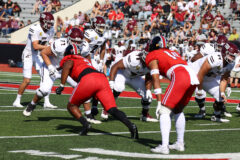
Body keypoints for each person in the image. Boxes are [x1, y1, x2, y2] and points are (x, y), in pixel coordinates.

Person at [52, 54, 139, 138]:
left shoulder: (69, 59)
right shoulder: (84, 60)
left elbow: (68, 65)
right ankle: (131, 126)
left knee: (71, 106)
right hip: (102, 78)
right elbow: (95, 89)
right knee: (112, 109)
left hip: (88, 79)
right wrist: (94, 106)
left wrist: (61, 85)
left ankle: (86, 125)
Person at [145, 36, 199, 154]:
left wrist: (159, 102)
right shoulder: (172, 52)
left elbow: (155, 78)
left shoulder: (152, 55)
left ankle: (164, 146)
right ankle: (180, 143)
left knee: (164, 111)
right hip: (191, 75)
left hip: (180, 74)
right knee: (178, 110)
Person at [12, 12, 56, 108]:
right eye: (48, 23)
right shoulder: (35, 28)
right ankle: (17, 100)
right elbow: (35, 46)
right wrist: (48, 47)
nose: (49, 25)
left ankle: (46, 102)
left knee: (45, 77)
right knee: (27, 80)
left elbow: (51, 42)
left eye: (50, 23)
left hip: (38, 54)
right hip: (29, 54)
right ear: (42, 21)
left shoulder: (51, 29)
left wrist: (53, 48)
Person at [190, 42, 239, 123]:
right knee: (182, 93)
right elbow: (201, 73)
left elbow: (224, 79)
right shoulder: (216, 58)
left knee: (220, 98)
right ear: (224, 52)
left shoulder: (230, 64)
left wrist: (222, 93)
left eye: (233, 56)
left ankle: (216, 116)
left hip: (208, 78)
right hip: (194, 73)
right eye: (231, 55)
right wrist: (199, 90)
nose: (232, 58)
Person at [109, 49, 158, 122]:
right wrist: (111, 82)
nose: (148, 64)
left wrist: (148, 90)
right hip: (123, 74)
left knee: (147, 97)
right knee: (118, 88)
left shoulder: (152, 63)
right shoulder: (133, 57)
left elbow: (149, 77)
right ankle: (107, 109)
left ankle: (144, 115)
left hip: (135, 78)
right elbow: (115, 66)